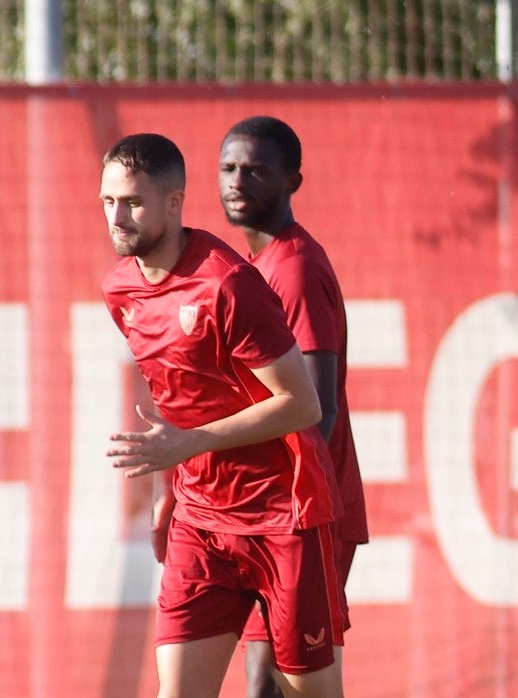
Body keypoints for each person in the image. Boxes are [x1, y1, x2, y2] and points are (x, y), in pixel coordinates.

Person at [98, 132, 345, 698]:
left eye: (133, 202)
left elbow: (303, 404)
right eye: (109, 201)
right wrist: (169, 487)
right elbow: (175, 393)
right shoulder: (120, 289)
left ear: (174, 202)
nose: (118, 216)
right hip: (202, 522)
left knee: (308, 692)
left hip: (284, 516)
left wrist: (187, 445)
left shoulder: (226, 284)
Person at [217, 116, 370, 698]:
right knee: (269, 685)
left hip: (303, 511)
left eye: (256, 170)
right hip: (269, 510)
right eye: (229, 168)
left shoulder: (296, 269)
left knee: (276, 687)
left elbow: (316, 407)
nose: (238, 181)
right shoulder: (253, 266)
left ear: (292, 180)